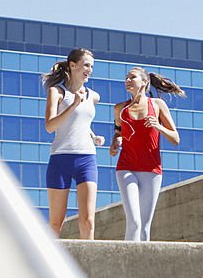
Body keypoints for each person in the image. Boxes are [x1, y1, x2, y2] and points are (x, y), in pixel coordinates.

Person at [110, 66, 184, 241]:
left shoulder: (157, 105)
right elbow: (118, 133)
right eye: (126, 78)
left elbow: (176, 139)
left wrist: (158, 127)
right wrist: (115, 143)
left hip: (151, 169)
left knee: (144, 226)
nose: (127, 80)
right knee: (134, 221)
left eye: (132, 77)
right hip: (126, 167)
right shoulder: (120, 108)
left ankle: (140, 265)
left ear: (144, 82)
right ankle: (126, 262)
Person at [42, 48, 104, 239]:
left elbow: (81, 123)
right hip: (61, 159)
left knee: (88, 220)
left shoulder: (94, 96)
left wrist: (93, 136)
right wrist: (73, 105)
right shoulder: (57, 92)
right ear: (72, 65)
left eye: (92, 66)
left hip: (86, 158)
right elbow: (50, 126)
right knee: (55, 223)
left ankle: (90, 267)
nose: (90, 70)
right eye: (86, 65)